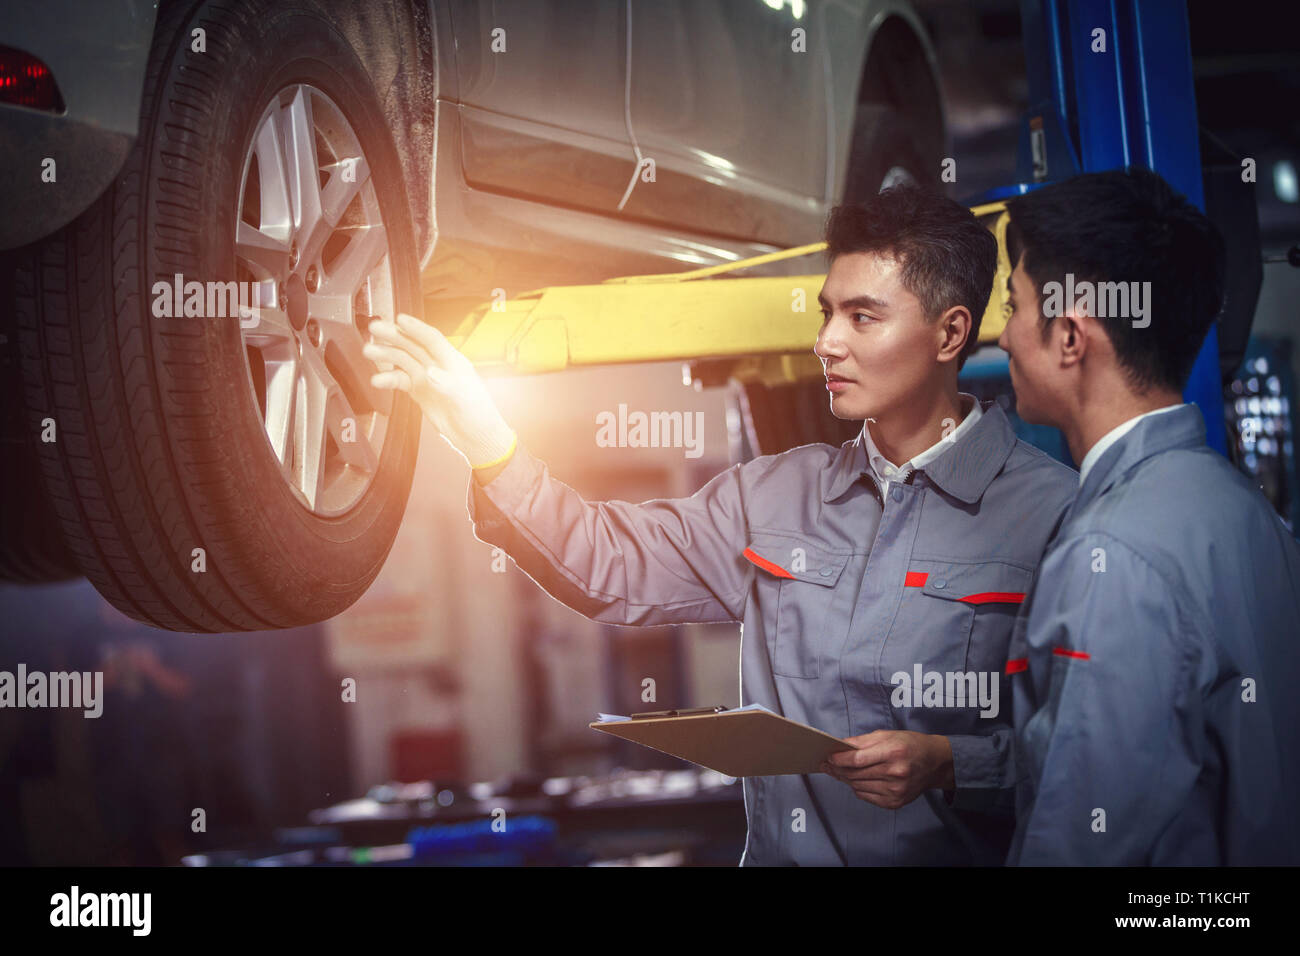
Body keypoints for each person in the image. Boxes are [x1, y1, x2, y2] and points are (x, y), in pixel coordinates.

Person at [363, 185, 1076, 865]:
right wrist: (486, 441)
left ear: (951, 332)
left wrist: (954, 764)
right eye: (827, 312)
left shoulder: (1053, 517)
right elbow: (607, 564)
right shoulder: (774, 496)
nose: (827, 342)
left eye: (862, 317)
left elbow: (1103, 758)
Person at [998, 166, 1300, 864]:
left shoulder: (1114, 556)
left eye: (1013, 304)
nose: (1004, 337)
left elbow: (1076, 844)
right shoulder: (1242, 512)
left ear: (1071, 338)